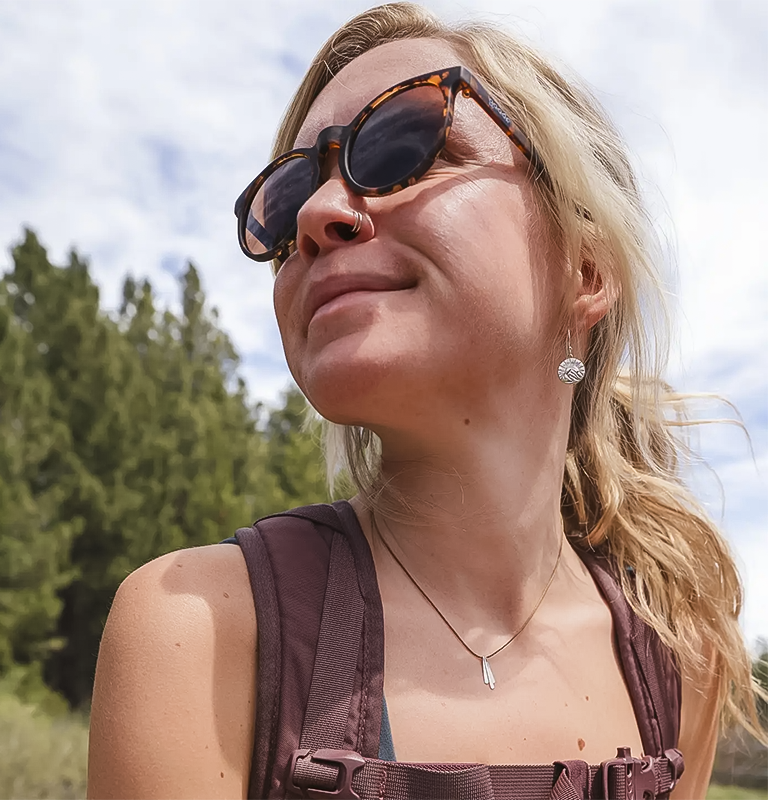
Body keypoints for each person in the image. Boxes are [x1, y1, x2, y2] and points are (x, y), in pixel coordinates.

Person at [86, 4, 766, 799]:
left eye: (406, 144)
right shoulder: (200, 632)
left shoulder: (678, 659)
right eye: (289, 192)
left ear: (586, 269)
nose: (315, 214)